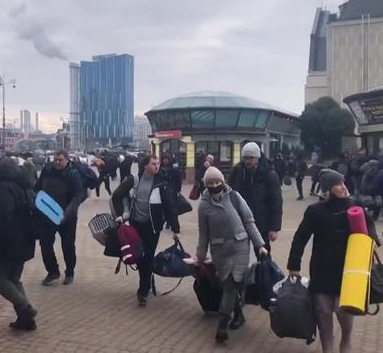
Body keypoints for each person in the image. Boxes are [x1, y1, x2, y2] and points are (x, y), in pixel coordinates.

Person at [288, 169, 380, 353]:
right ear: (329, 189)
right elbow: (301, 237)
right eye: (339, 184)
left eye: (343, 183)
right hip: (322, 270)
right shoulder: (315, 211)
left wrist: (373, 243)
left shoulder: (355, 207)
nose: (344, 187)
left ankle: (346, 340)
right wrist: (294, 265)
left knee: (344, 313)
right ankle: (327, 348)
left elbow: (369, 226)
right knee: (323, 315)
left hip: (348, 271)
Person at [196, 166, 268, 343]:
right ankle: (239, 315)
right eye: (210, 183)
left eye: (217, 181)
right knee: (230, 286)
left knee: (231, 285)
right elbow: (203, 233)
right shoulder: (204, 205)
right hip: (220, 251)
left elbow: (249, 222)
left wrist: (260, 245)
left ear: (223, 181)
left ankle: (222, 325)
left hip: (240, 246)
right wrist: (201, 254)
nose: (214, 185)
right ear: (206, 185)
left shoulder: (235, 197)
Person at [111, 154, 180, 307]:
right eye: (154, 164)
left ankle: (143, 290)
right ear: (145, 166)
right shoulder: (134, 180)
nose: (157, 166)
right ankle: (146, 281)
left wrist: (176, 229)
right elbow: (116, 196)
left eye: (158, 163)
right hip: (135, 225)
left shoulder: (161, 183)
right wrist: (121, 215)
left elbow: (170, 207)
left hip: (153, 227)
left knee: (147, 257)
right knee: (138, 256)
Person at [0, 157, 37, 331]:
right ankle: (26, 320)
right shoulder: (25, 185)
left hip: (9, 243)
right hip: (24, 241)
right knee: (13, 278)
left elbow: (1, 219)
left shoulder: (3, 188)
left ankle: (26, 309)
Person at [36, 149, 86, 286]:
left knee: (68, 246)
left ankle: (70, 272)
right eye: (55, 160)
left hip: (67, 217)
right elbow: (38, 188)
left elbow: (79, 195)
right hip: (48, 215)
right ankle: (52, 272)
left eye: (60, 160)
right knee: (45, 244)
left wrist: (68, 213)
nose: (57, 162)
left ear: (67, 160)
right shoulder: (47, 170)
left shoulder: (73, 174)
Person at [228, 142, 283, 253]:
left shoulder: (269, 174)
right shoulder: (237, 171)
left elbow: (276, 202)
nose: (247, 161)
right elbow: (229, 194)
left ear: (257, 157)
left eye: (251, 158)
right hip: (239, 223)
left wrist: (274, 228)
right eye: (245, 158)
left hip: (261, 224)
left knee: (262, 256)